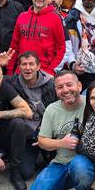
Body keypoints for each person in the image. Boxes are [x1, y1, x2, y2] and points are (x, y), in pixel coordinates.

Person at [25, 70, 95, 190]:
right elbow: (42, 141)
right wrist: (62, 143)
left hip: (86, 162)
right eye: (60, 87)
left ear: (79, 86)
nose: (65, 90)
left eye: (69, 85)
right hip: (61, 162)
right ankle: (64, 182)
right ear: (56, 91)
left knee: (79, 165)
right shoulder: (52, 110)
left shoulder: (93, 103)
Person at [6, 50, 58, 180]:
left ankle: (44, 157)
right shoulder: (13, 82)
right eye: (24, 64)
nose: (27, 68)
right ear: (19, 67)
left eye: (31, 64)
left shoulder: (51, 83)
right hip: (27, 136)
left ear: (38, 66)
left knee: (57, 166)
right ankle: (36, 156)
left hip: (47, 133)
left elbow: (59, 110)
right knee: (26, 173)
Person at [6, 0, 65, 75]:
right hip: (21, 71)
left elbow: (61, 47)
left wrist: (50, 70)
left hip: (44, 73)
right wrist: (10, 71)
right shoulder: (22, 17)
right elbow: (14, 47)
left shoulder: (55, 18)